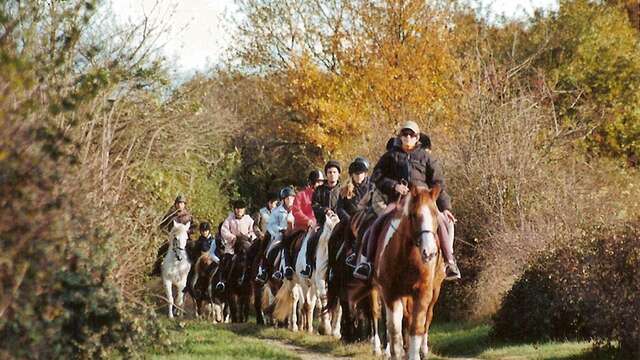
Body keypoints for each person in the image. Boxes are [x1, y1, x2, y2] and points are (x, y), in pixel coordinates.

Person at [353, 120, 461, 281]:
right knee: (377, 222)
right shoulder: (390, 156)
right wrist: (394, 186)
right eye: (405, 134)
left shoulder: (426, 157)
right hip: (398, 200)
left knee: (442, 221)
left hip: (423, 200)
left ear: (417, 138)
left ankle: (449, 262)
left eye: (411, 135)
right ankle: (365, 262)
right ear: (400, 136)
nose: (408, 137)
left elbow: (439, 183)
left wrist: (445, 207)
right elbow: (377, 177)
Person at [301, 161, 342, 278]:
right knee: (312, 238)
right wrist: (325, 210)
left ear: (338, 174)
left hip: (339, 222)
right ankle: (308, 265)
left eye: (334, 172)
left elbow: (346, 205)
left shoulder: (343, 190)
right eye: (329, 172)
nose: (332, 174)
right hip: (323, 222)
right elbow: (314, 205)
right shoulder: (319, 190)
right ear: (326, 174)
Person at [336, 157, 375, 267]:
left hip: (367, 219)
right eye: (356, 174)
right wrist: (348, 218)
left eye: (361, 173)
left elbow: (375, 204)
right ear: (352, 175)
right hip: (349, 219)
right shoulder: (344, 189)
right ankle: (333, 266)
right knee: (334, 236)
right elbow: (339, 208)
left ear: (365, 174)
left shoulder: (372, 187)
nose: (358, 176)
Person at [255, 186, 296, 283]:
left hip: (294, 234)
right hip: (280, 235)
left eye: (292, 198)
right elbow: (271, 225)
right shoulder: (276, 211)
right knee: (270, 250)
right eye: (287, 198)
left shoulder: (297, 210)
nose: (290, 200)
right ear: (283, 200)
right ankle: (264, 270)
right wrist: (281, 230)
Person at [150, 195, 195, 277]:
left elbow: (194, 227)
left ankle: (193, 272)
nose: (179, 205)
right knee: (162, 249)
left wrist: (187, 231)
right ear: (175, 204)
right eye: (178, 203)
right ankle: (156, 270)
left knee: (193, 248)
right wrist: (167, 233)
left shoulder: (189, 216)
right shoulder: (170, 215)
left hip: (184, 238)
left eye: (181, 203)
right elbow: (162, 226)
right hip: (172, 238)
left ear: (184, 204)